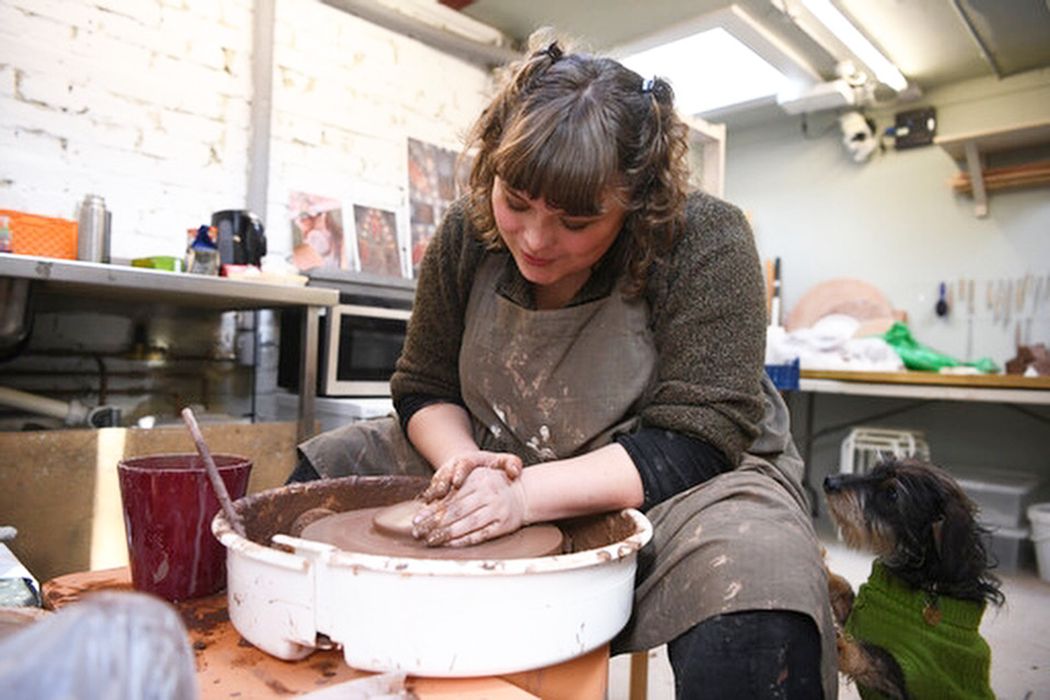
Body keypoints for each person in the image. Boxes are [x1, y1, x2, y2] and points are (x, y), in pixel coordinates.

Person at [290, 33, 837, 699]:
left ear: (638, 201)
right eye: (516, 203)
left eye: (577, 221)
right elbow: (424, 385)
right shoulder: (467, 233)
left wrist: (521, 499)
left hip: (676, 480)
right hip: (500, 447)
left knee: (760, 586)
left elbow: (699, 437)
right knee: (323, 474)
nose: (537, 239)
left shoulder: (704, 239)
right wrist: (465, 464)